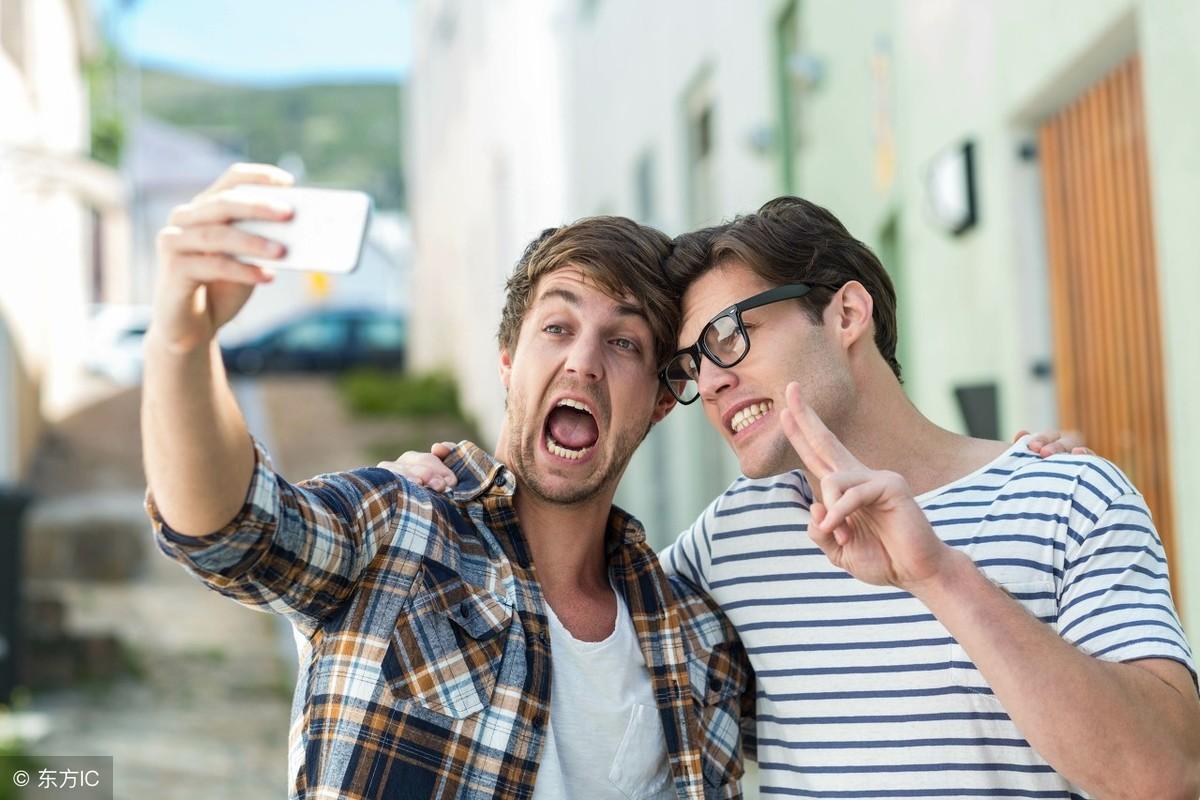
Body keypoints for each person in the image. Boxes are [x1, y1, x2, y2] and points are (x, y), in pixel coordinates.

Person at [141, 163, 753, 800]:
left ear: (661, 397)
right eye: (557, 328)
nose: (583, 361)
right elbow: (230, 530)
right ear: (509, 365)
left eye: (623, 342)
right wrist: (183, 339)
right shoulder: (397, 527)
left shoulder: (697, 643)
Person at [652, 198, 1200, 797]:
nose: (708, 383)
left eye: (730, 335)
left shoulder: (1068, 496)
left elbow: (1166, 776)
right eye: (689, 365)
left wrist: (937, 574)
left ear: (847, 314)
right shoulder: (727, 540)